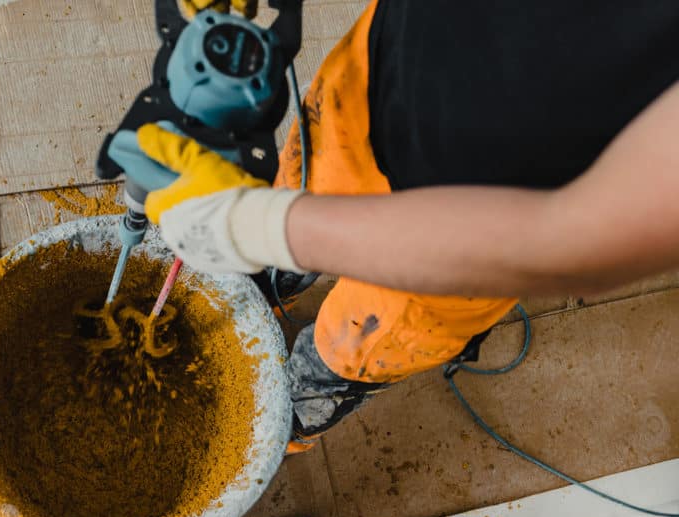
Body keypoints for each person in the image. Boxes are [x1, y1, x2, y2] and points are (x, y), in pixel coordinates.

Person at [146, 0, 679, 452]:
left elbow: (578, 243)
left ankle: (312, 387)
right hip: (377, 76)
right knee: (303, 176)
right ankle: (274, 270)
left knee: (357, 341)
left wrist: (268, 228)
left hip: (477, 234)